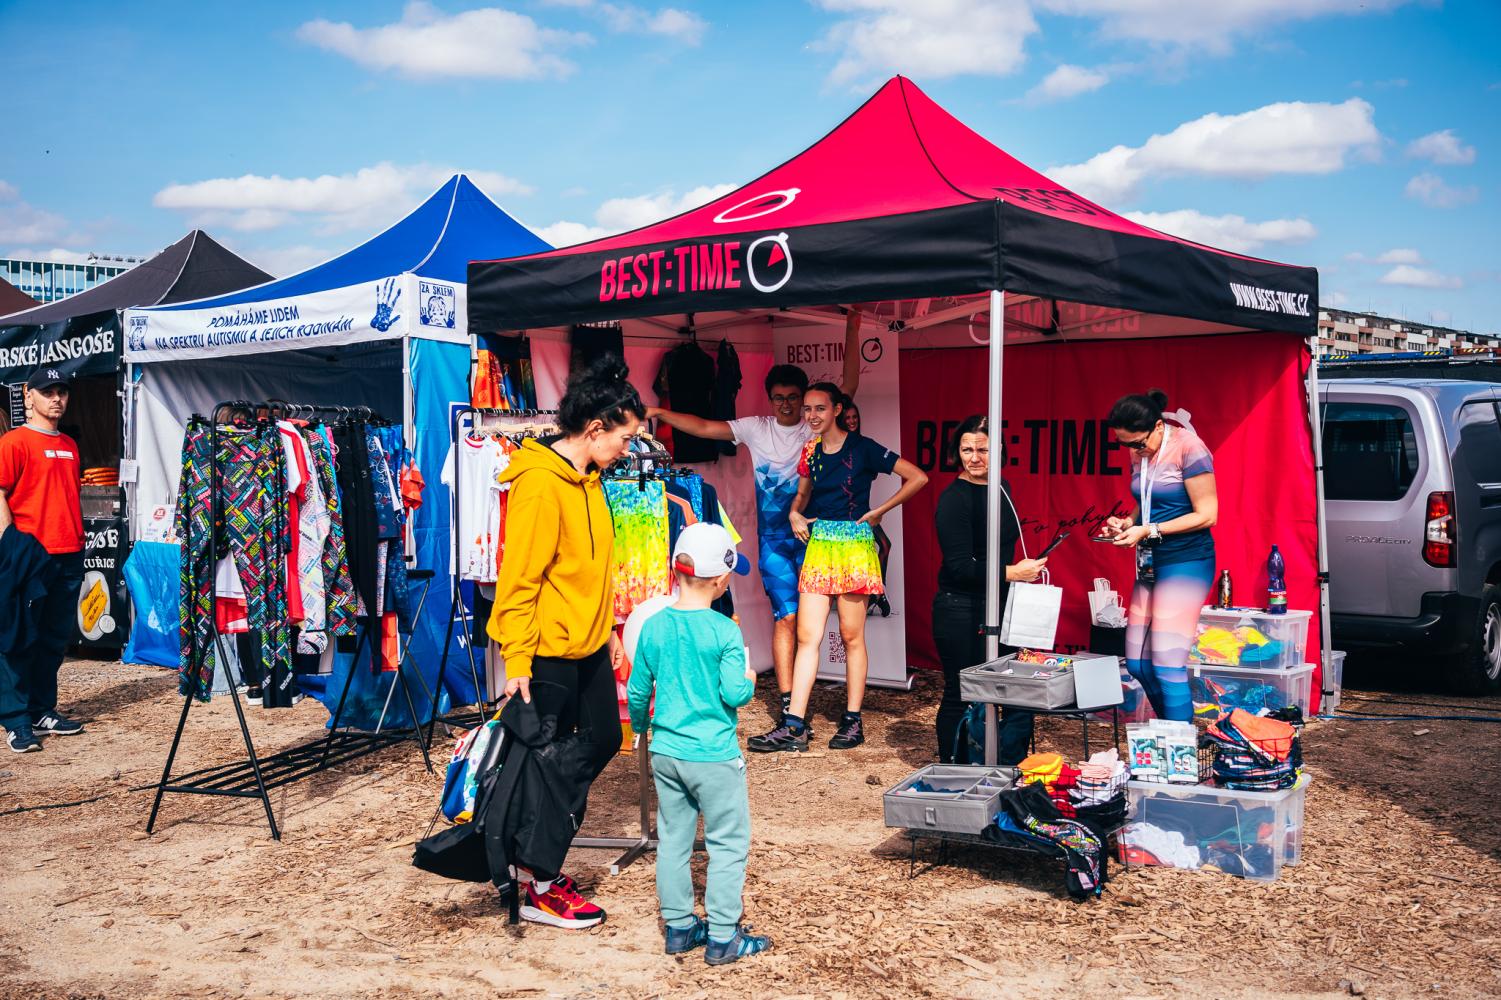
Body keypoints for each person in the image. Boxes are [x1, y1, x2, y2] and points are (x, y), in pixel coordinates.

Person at [645, 309, 864, 723]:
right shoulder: (756, 427)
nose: (786, 405)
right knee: (787, 618)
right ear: (770, 399)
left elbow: (848, 386)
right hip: (775, 542)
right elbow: (704, 427)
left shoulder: (815, 427)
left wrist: (853, 327)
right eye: (779, 398)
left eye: (793, 397)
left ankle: (805, 700)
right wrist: (660, 414)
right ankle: (788, 701)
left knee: (814, 625)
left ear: (805, 399)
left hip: (817, 540)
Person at [486, 354, 643, 929]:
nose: (628, 449)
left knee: (602, 740)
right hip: (547, 651)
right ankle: (538, 881)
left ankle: (533, 863)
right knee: (546, 760)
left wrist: (610, 631)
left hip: (588, 644)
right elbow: (519, 579)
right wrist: (517, 660)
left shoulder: (591, 481)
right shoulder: (540, 484)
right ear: (596, 428)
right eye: (625, 438)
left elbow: (593, 570)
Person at [748, 383, 927, 752]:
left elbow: (918, 476)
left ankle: (852, 720)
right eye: (808, 409)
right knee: (806, 636)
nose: (811, 415)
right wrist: (795, 513)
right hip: (819, 545)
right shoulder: (810, 450)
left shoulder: (863, 448)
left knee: (851, 636)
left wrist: (879, 511)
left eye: (820, 408)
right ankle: (794, 725)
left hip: (855, 547)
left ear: (837, 409)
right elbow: (802, 494)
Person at [626, 522, 771, 966]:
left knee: (673, 838)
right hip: (713, 756)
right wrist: (750, 679)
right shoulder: (724, 631)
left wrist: (641, 729)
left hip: (667, 752)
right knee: (728, 842)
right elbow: (734, 693)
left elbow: (638, 692)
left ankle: (679, 926)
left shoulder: (653, 627)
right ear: (722, 579)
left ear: (676, 570)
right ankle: (724, 936)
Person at [930, 416, 1048, 764]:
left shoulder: (1001, 487)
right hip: (960, 608)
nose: (974, 457)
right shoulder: (954, 499)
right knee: (961, 693)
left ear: (998, 450)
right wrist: (1011, 572)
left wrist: (1016, 573)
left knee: (1016, 693)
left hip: (1001, 603)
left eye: (982, 449)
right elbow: (959, 567)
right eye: (966, 449)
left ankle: (1008, 767)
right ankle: (955, 769)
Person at [1099, 389, 1218, 723]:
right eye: (1125, 444)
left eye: (1138, 443)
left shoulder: (1189, 447)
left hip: (1186, 561)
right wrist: (1128, 523)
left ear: (1158, 426)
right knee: (1138, 664)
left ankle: (1179, 747)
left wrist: (1148, 530)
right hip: (1151, 562)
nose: (1134, 450)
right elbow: (1147, 501)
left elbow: (1208, 515)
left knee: (1167, 663)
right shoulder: (1139, 449)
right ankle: (1172, 734)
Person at [0, 368, 87, 753]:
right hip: (30, 555)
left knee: (53, 639)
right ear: (28, 396)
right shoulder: (14, 442)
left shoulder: (69, 444)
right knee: (20, 639)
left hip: (69, 553)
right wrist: (10, 544)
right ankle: (16, 719)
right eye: (47, 392)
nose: (56, 398)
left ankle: (40, 709)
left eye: (61, 392)